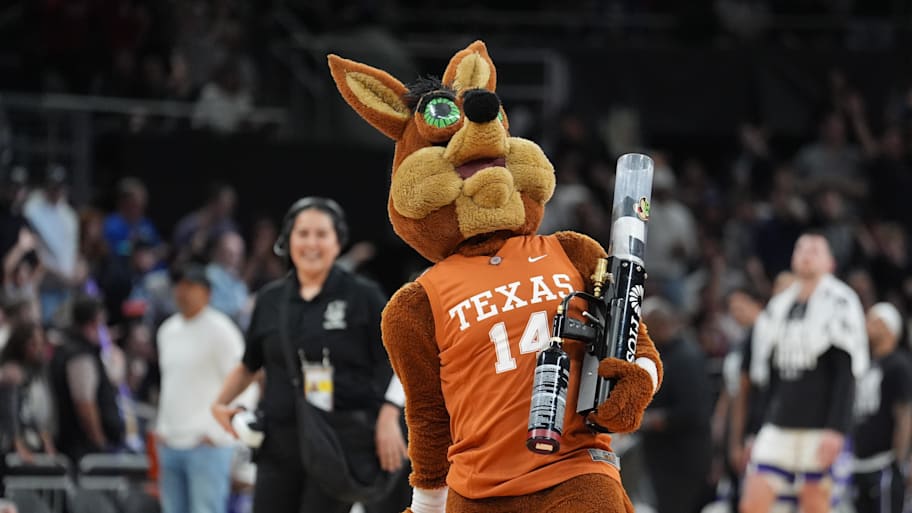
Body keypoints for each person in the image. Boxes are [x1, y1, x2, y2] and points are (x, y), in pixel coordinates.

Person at [211, 197, 407, 513]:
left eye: (321, 234)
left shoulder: (363, 295)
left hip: (339, 439)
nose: (311, 243)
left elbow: (400, 358)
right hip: (278, 442)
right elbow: (250, 363)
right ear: (288, 240)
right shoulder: (270, 299)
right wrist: (220, 403)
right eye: (302, 234)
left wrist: (389, 416)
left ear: (338, 241)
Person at [740, 233, 868, 513]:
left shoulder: (841, 302)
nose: (807, 254)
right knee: (753, 502)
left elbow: (846, 374)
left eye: (815, 249)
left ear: (830, 262)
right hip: (777, 425)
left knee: (814, 505)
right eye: (801, 248)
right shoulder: (779, 306)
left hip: (819, 426)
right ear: (793, 258)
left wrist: (837, 428)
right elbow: (766, 377)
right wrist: (754, 430)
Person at [155, 264, 244, 513]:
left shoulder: (222, 330)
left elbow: (244, 383)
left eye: (190, 286)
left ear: (207, 293)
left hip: (206, 445)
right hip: (171, 441)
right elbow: (169, 383)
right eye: (179, 286)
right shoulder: (167, 331)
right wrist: (162, 427)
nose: (182, 292)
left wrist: (222, 433)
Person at [638, 297, 713, 513]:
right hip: (664, 458)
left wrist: (649, 420)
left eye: (646, 327)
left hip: (683, 460)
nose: (642, 334)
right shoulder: (662, 354)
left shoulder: (686, 358)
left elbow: (695, 411)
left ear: (661, 325)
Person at [851, 302, 912, 513]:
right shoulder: (864, 363)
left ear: (888, 327)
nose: (866, 325)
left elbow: (905, 414)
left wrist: (901, 461)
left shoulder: (899, 364)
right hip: (858, 462)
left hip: (884, 463)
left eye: (872, 320)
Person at [49, 295, 125, 463]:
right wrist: (100, 443)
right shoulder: (79, 354)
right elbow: (84, 404)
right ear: (93, 323)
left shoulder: (78, 349)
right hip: (83, 451)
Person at [0, 321, 56, 462]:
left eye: (41, 343)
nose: (39, 348)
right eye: (33, 344)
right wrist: (17, 443)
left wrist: (43, 434)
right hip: (12, 446)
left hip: (33, 440)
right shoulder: (12, 372)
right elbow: (10, 410)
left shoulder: (36, 370)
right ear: (21, 346)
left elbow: (28, 410)